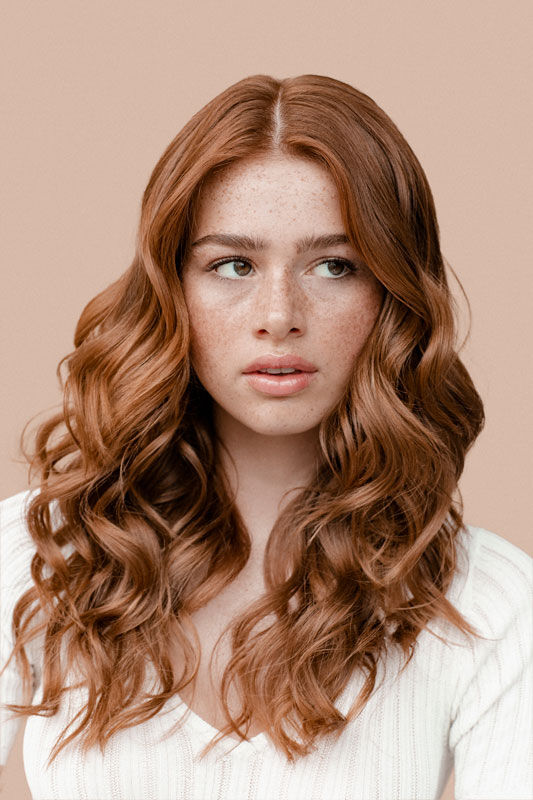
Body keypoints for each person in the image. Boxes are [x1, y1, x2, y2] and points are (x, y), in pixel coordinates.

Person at [1, 73, 531, 800]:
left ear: (392, 298)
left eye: (334, 266)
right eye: (232, 265)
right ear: (172, 288)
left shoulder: (492, 607)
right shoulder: (34, 557)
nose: (277, 313)